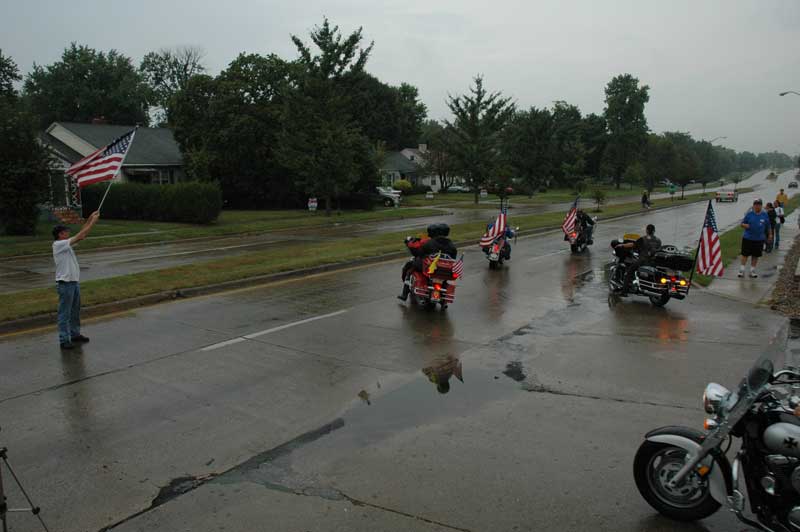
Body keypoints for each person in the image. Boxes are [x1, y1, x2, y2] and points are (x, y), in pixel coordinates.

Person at [52, 211, 100, 349]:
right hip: (65, 284)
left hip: (73, 283)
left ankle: (74, 334)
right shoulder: (58, 245)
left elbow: (82, 234)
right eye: (66, 232)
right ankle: (64, 340)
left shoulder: (66, 244)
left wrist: (90, 218)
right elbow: (80, 236)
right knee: (64, 313)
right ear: (60, 234)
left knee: (75, 311)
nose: (68, 233)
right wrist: (93, 222)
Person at [398, 223, 458, 301]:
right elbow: (453, 258)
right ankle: (443, 298)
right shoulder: (451, 245)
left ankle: (404, 294)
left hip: (430, 269)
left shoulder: (430, 243)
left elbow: (420, 253)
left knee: (410, 267)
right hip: (444, 271)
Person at [615, 224, 661, 296]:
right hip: (653, 262)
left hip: (642, 261)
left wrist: (622, 245)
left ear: (647, 230)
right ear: (654, 231)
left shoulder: (643, 239)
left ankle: (624, 292)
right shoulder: (658, 240)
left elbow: (632, 245)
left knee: (628, 272)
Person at [738, 199, 771, 278]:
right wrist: (744, 225)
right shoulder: (749, 214)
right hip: (748, 238)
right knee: (745, 255)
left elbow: (768, 226)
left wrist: (770, 234)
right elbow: (742, 223)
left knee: (755, 255)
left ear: (761, 205)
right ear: (753, 205)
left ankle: (752, 271)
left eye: (759, 204)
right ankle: (741, 270)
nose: (757, 206)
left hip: (759, 239)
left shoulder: (764, 215)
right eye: (755, 204)